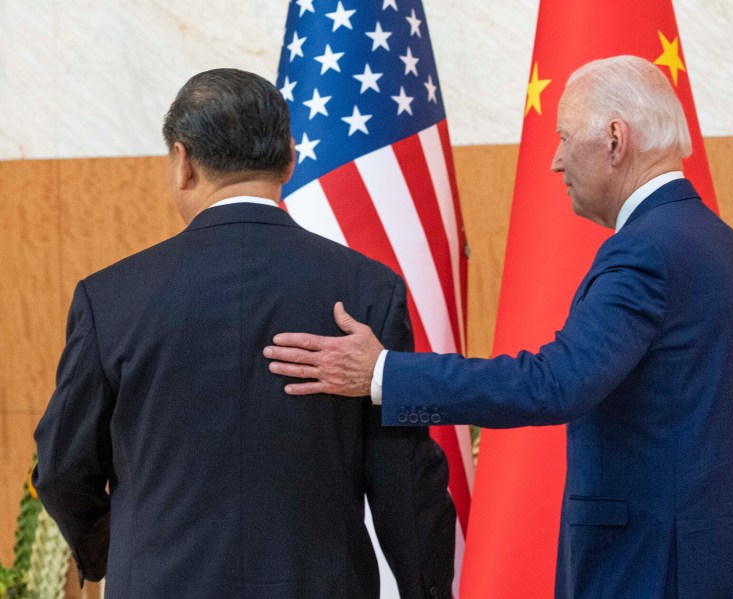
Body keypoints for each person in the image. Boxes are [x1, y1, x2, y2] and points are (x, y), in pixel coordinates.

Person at [264, 56, 733, 598]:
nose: (556, 162)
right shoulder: (729, 248)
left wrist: (383, 374)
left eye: (564, 138)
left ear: (614, 139)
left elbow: (554, 384)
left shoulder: (646, 252)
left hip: (655, 570)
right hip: (730, 566)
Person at [32, 68, 455, 599]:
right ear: (290, 159)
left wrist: (114, 552)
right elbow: (406, 482)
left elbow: (63, 466)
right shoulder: (369, 290)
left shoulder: (111, 298)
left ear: (183, 162)